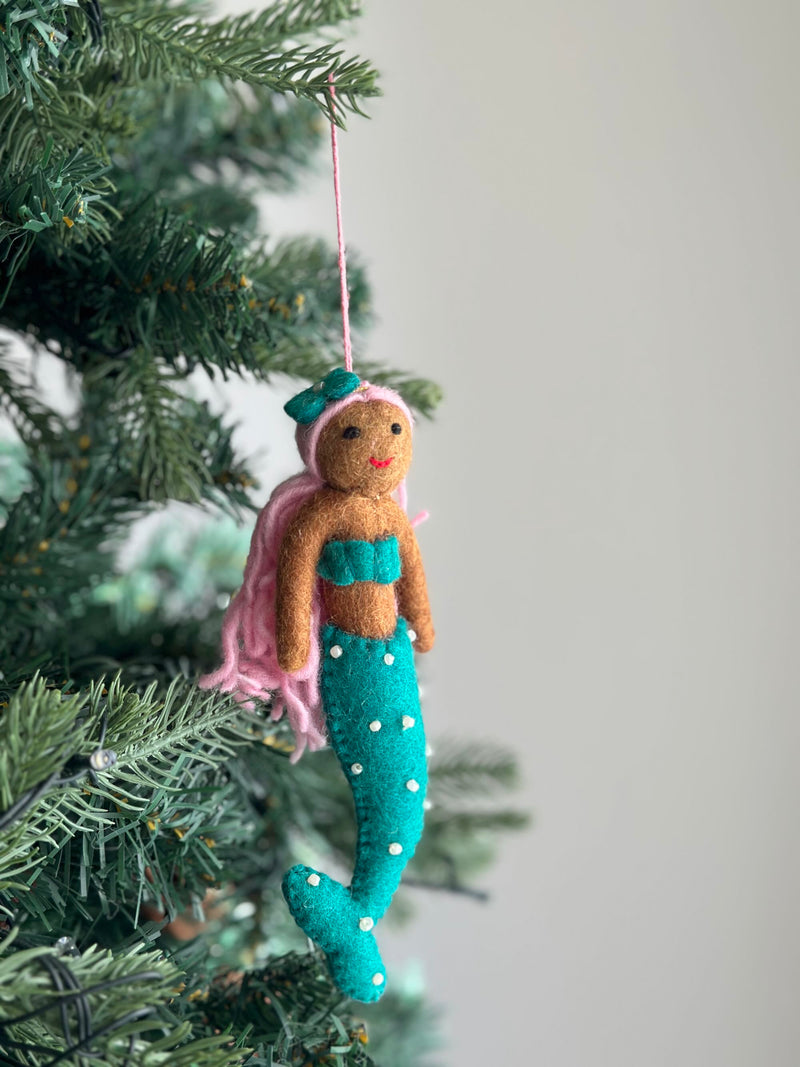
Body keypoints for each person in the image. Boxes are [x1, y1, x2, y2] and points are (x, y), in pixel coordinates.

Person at [200, 369, 434, 1001]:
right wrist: (297, 648)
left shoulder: (388, 512)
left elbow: (411, 572)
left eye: (392, 428)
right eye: (357, 431)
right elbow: (295, 575)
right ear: (324, 443)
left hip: (392, 656)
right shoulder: (319, 514)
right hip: (350, 659)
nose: (380, 444)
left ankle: (357, 917)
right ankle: (356, 919)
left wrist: (423, 621)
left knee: (403, 800)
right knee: (388, 781)